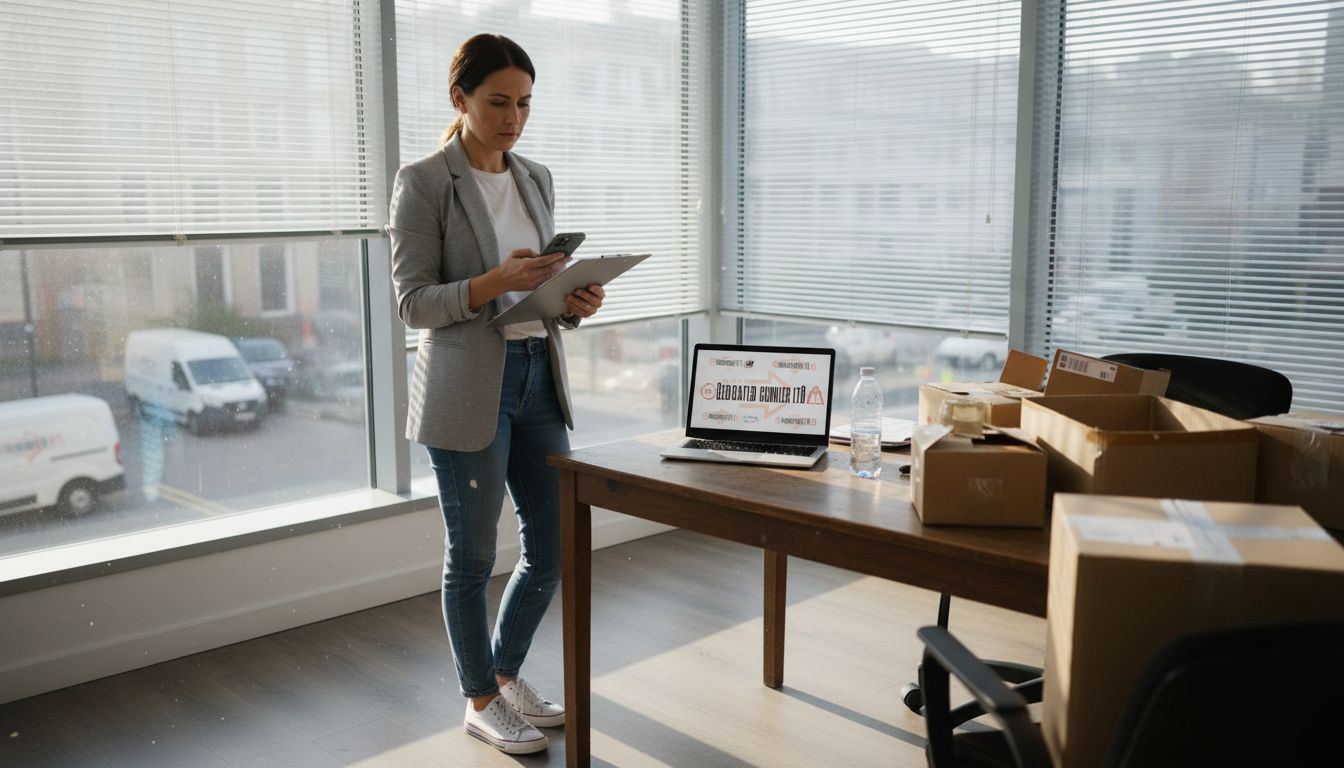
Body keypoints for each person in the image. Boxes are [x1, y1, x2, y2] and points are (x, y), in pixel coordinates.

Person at [386, 33, 604, 755]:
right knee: (474, 556)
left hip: (539, 376)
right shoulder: (424, 181)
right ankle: (479, 699)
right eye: (499, 102)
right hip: (466, 387)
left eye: (526, 104)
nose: (514, 118)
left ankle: (505, 674)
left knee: (553, 546)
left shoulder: (535, 177)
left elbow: (540, 294)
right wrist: (492, 283)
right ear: (461, 99)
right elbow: (413, 303)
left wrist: (573, 301)